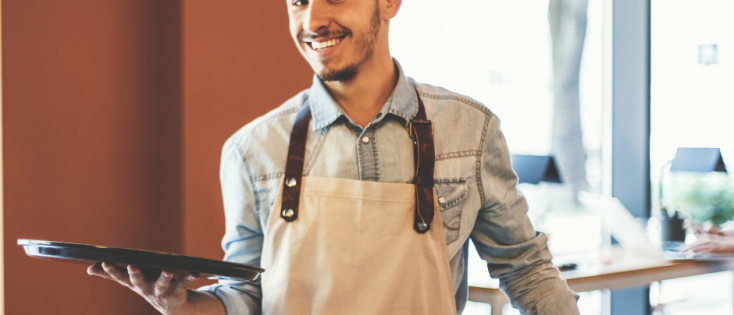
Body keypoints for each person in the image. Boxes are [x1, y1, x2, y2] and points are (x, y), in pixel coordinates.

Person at [88, 0, 580, 314]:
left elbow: (525, 269)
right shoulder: (250, 151)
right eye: (298, 1)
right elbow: (246, 294)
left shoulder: (470, 131)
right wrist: (183, 305)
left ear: (389, 3)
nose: (313, 20)